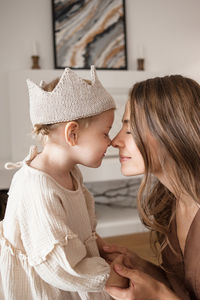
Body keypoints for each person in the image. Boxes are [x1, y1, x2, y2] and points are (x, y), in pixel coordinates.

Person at [0, 66, 119, 300]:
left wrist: (104, 251)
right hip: (48, 285)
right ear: (72, 134)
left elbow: (82, 227)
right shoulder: (38, 187)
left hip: (70, 273)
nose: (112, 141)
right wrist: (116, 277)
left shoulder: (71, 172)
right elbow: (58, 265)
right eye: (105, 133)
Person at [104, 75, 200, 300]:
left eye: (129, 130)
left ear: (170, 131)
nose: (114, 141)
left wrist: (158, 296)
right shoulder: (169, 201)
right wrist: (141, 267)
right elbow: (186, 286)